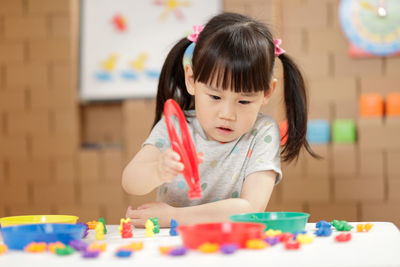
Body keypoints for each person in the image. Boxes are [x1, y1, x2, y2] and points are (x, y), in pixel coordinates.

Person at [122, 12, 316, 228]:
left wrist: (174, 217)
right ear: (191, 80)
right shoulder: (176, 126)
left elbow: (251, 208)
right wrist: (158, 170)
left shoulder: (262, 132)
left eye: (243, 101)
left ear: (267, 92)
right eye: (215, 97)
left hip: (231, 243)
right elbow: (130, 181)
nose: (227, 114)